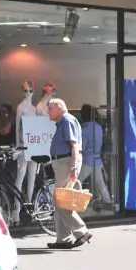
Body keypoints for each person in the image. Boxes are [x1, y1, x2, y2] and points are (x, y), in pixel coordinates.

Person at [46, 98, 92, 250]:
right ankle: (63, 239)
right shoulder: (63, 121)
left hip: (66, 163)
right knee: (59, 200)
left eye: (50, 109)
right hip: (63, 163)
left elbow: (74, 146)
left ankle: (81, 231)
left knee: (60, 200)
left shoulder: (67, 120)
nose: (48, 112)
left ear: (59, 108)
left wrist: (73, 167)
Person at [78, 104, 111, 205]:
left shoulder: (84, 129)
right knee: (101, 186)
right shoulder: (98, 127)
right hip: (97, 160)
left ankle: (74, 205)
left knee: (76, 182)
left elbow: (82, 147)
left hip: (87, 160)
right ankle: (109, 204)